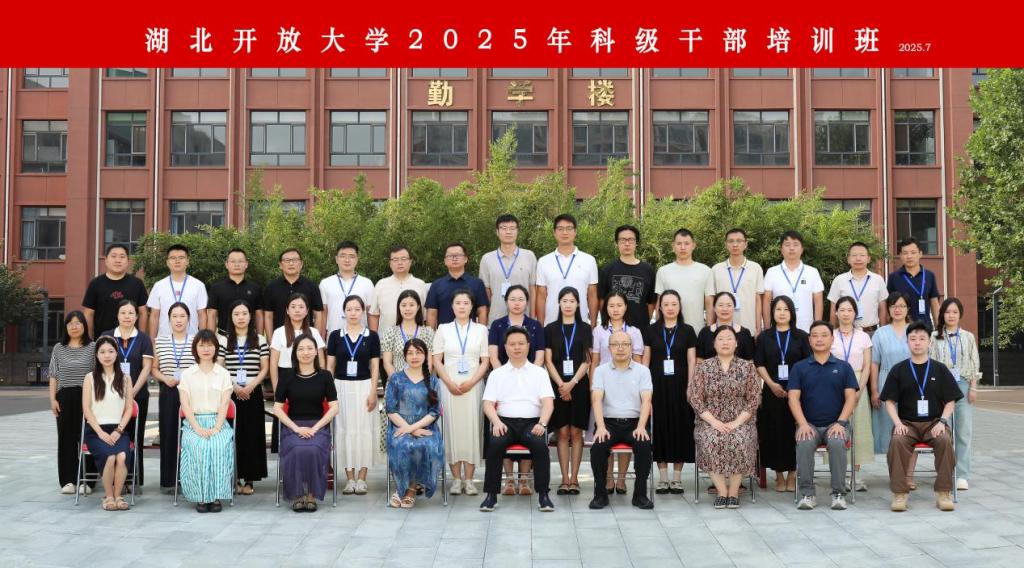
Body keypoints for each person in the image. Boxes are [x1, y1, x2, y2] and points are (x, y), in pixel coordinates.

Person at [880, 322, 961, 512]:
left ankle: (944, 492)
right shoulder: (898, 370)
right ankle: (900, 494)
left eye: (922, 338)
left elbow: (951, 400)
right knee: (897, 441)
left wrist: (942, 422)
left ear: (929, 342)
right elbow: (889, 401)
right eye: (913, 339)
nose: (917, 343)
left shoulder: (940, 369)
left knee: (944, 440)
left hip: (934, 423)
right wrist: (897, 423)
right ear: (907, 342)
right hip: (907, 423)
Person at [479, 327, 556, 512]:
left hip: (532, 423)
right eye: (512, 344)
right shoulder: (497, 374)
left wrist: (542, 424)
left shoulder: (539, 373)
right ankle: (491, 495)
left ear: (528, 346)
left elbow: (548, 403)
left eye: (521, 343)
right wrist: (496, 422)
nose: (517, 347)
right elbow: (487, 404)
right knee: (494, 445)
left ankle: (544, 495)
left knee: (540, 446)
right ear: (505, 347)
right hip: (505, 423)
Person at [688, 326, 761, 509]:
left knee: (740, 439)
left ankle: (734, 492)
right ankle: (721, 491)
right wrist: (714, 422)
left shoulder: (747, 367)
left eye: (729, 338)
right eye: (721, 339)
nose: (725, 342)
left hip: (741, 421)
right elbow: (695, 398)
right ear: (714, 344)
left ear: (736, 343)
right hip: (709, 421)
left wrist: (736, 423)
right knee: (711, 439)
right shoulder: (703, 367)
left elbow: (754, 399)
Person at [487, 285, 545, 496]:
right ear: (506, 301)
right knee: (500, 430)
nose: (517, 303)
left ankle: (525, 479)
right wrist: (505, 376)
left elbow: (539, 355)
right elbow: (493, 355)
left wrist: (529, 376)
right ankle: (509, 479)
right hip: (504, 381)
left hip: (530, 380)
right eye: (513, 299)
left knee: (532, 429)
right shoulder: (497, 325)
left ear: (527, 302)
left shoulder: (535, 325)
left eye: (521, 299)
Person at [589, 330, 655, 510]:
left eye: (625, 344)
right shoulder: (600, 371)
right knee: (598, 448)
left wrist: (641, 427)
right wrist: (600, 427)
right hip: (608, 423)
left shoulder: (642, 371)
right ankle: (600, 495)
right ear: (609, 348)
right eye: (615, 344)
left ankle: (640, 495)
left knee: (643, 446)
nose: (620, 348)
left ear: (631, 347)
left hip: (635, 423)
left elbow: (646, 400)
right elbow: (596, 399)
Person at [273, 333, 340, 512]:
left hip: (318, 426)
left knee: (313, 449)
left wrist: (315, 428)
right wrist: (296, 428)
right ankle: (296, 495)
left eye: (310, 348)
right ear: (295, 353)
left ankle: (311, 495)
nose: (306, 352)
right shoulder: (286, 376)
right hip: (293, 426)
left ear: (316, 352)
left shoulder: (325, 376)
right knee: (296, 448)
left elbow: (334, 407)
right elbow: (277, 408)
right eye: (301, 349)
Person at [433, 289, 490, 495]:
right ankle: (456, 479)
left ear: (472, 306)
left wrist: (472, 382)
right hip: (449, 386)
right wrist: (448, 383)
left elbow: (485, 361)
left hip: (473, 386)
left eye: (466, 303)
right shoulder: (443, 329)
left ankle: (470, 479)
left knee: (472, 429)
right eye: (458, 303)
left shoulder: (481, 330)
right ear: (452, 306)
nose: (462, 306)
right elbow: (436, 360)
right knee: (452, 430)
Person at [642, 290, 697, 495]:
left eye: (674, 304)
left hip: (681, 387)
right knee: (660, 429)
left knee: (681, 428)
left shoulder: (688, 331)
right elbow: (645, 360)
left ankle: (677, 478)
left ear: (679, 306)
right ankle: (663, 478)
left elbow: (691, 360)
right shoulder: (650, 330)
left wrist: (690, 385)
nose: (670, 308)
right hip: (657, 387)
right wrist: (645, 388)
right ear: (660, 307)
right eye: (666, 304)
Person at [754, 296, 811, 493]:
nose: (782, 313)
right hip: (772, 391)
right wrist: (771, 384)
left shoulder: (801, 336)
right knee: (774, 433)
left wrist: (795, 386)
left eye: (786, 309)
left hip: (797, 392)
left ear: (792, 313)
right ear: (772, 313)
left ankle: (793, 474)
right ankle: (778, 475)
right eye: (778, 309)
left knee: (793, 433)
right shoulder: (765, 337)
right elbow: (759, 363)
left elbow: (807, 364)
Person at [326, 296, 381, 495]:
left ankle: (362, 478)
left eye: (357, 309)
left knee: (364, 430)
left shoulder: (371, 336)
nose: (353, 313)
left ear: (363, 312)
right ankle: (349, 478)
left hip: (364, 386)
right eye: (349, 309)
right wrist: (330, 393)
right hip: (341, 388)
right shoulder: (335, 336)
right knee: (344, 429)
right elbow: (330, 366)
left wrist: (373, 391)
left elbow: (375, 366)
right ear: (344, 312)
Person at [591, 292, 645, 494]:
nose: (615, 309)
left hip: (629, 385)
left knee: (628, 427)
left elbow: (638, 361)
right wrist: (593, 387)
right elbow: (595, 360)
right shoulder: (599, 331)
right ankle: (608, 478)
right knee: (605, 431)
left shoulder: (634, 331)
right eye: (611, 305)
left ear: (625, 307)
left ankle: (621, 479)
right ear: (606, 308)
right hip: (605, 384)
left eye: (619, 305)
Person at [178, 330, 235, 513]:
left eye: (210, 345)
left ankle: (216, 496)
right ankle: (200, 496)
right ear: (195, 348)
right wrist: (196, 427)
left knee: (218, 446)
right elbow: (185, 404)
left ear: (216, 348)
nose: (206, 349)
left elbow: (225, 403)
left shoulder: (223, 373)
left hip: (218, 422)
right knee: (199, 447)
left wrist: (217, 427)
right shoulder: (187, 374)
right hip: (193, 423)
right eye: (202, 345)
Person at [216, 300, 269, 495]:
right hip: (231, 394)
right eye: (236, 314)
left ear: (250, 316)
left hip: (253, 393)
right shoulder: (224, 340)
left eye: (244, 313)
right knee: (234, 435)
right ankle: (235, 477)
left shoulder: (260, 339)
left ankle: (250, 479)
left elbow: (265, 368)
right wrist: (235, 386)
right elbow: (220, 367)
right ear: (231, 317)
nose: (241, 317)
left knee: (252, 435)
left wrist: (251, 386)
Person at [100, 300, 154, 491]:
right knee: (114, 435)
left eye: (131, 313)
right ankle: (114, 480)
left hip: (138, 396)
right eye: (123, 313)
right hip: (111, 397)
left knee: (135, 437)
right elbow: (101, 363)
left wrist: (132, 392)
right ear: (117, 315)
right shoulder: (107, 336)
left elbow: (146, 368)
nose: (127, 316)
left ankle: (133, 480)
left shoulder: (143, 339)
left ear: (137, 316)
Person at [544, 286, 593, 497]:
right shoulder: (550, 328)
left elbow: (587, 360)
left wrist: (571, 383)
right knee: (562, 432)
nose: (568, 305)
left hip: (579, 385)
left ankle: (575, 479)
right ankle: (564, 479)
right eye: (564, 301)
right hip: (556, 385)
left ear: (578, 304)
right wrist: (561, 385)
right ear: (559, 303)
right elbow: (548, 360)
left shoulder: (585, 328)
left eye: (572, 301)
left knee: (576, 432)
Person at [385, 338, 444, 509]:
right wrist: (409, 430)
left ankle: (409, 490)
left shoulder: (433, 380)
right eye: (410, 353)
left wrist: (413, 428)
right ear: (404, 356)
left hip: (426, 428)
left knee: (424, 445)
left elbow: (434, 412)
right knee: (404, 444)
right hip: (399, 426)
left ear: (425, 356)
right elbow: (390, 409)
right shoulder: (396, 379)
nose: (414, 356)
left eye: (418, 352)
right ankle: (402, 489)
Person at [929, 298, 981, 491]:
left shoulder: (968, 337)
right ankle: (945, 471)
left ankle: (962, 474)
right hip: (941, 386)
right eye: (947, 312)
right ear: (942, 314)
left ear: (960, 315)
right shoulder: (934, 336)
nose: (951, 316)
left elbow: (974, 362)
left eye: (955, 312)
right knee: (943, 432)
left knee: (963, 431)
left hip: (963, 385)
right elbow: (931, 362)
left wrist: (973, 388)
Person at [81, 336, 134, 511]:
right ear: (96, 355)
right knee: (110, 457)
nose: (107, 355)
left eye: (111, 351)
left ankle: (118, 496)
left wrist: (119, 430)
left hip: (118, 429)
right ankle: (108, 496)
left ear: (117, 353)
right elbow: (86, 409)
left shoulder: (125, 379)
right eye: (102, 352)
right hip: (96, 431)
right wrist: (100, 432)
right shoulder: (90, 378)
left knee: (122, 456)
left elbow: (128, 409)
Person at [270, 294, 327, 454]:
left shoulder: (314, 332)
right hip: (286, 379)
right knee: (284, 418)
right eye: (293, 307)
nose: (297, 310)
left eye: (301, 307)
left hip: (311, 379)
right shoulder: (279, 332)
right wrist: (277, 390)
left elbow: (321, 362)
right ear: (287, 310)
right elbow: (273, 364)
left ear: (307, 310)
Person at [49, 311, 96, 494]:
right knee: (66, 439)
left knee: (88, 438)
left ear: (84, 325)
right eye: (70, 323)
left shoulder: (92, 347)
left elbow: (97, 374)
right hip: (64, 397)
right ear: (66, 327)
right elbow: (53, 375)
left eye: (78, 323)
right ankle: (68, 480)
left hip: (87, 398)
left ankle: (87, 481)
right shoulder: (58, 348)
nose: (74, 326)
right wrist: (53, 399)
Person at [831, 296, 875, 490]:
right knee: (838, 428)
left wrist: (860, 390)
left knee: (858, 427)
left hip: (858, 382)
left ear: (855, 313)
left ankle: (855, 475)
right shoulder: (830, 335)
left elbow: (867, 366)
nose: (846, 313)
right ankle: (839, 473)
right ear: (836, 312)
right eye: (842, 310)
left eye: (849, 310)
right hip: (835, 383)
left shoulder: (863, 337)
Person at [152, 302, 196, 492]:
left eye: (182, 316)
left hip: (191, 393)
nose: (179, 320)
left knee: (190, 435)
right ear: (168, 320)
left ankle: (189, 477)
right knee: (169, 434)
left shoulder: (195, 340)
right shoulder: (159, 341)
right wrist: (165, 379)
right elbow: (154, 368)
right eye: (175, 316)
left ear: (189, 319)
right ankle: (169, 480)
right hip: (169, 391)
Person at [536, 214, 599, 326]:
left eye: (569, 228)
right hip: (551, 324)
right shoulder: (543, 261)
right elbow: (541, 296)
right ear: (554, 232)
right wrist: (540, 327)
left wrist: (593, 326)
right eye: (560, 229)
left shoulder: (589, 260)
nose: (564, 232)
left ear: (575, 232)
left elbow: (592, 295)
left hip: (580, 324)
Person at [870, 292, 913, 456]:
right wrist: (874, 390)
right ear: (888, 309)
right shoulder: (880, 333)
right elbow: (875, 363)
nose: (897, 309)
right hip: (886, 381)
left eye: (902, 306)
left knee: (909, 425)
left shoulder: (915, 331)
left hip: (911, 382)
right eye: (894, 306)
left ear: (908, 309)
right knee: (886, 424)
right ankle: (890, 463)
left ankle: (907, 465)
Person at [479, 214, 538, 324]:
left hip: (524, 320)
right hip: (495, 319)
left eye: (512, 228)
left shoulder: (529, 256)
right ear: (497, 232)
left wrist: (532, 316)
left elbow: (532, 289)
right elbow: (486, 292)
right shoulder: (487, 259)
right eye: (504, 228)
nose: (508, 232)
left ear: (517, 231)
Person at [82, 243, 149, 339]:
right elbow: (88, 313)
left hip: (131, 341)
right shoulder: (95, 284)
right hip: (103, 340)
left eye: (122, 257)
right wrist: (89, 340)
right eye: (113, 256)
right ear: (106, 260)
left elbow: (143, 312)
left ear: (127, 261)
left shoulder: (137, 283)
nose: (118, 260)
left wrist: (141, 338)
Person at [705, 228, 765, 334]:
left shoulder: (756, 268)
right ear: (726, 244)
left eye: (739, 241)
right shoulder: (716, 269)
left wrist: (758, 328)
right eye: (731, 241)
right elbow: (710, 300)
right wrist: (709, 328)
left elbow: (758, 300)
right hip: (722, 332)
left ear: (745, 244)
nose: (735, 244)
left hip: (749, 329)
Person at [763, 231, 824, 332]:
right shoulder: (772, 272)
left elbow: (818, 302)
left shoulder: (812, 272)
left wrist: (817, 328)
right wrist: (767, 328)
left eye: (795, 244)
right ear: (781, 249)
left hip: (806, 329)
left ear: (802, 249)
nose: (791, 248)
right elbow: (766, 301)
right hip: (779, 330)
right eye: (787, 245)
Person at [598, 224, 656, 331]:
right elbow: (602, 300)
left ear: (636, 243)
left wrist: (645, 323)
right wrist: (606, 323)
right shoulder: (608, 269)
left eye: (631, 240)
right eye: (623, 240)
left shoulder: (648, 270)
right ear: (616, 243)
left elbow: (651, 302)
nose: (627, 243)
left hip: (640, 330)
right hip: (613, 331)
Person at [655, 229, 712, 329]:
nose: (683, 247)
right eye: (679, 243)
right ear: (673, 246)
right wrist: (658, 329)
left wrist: (709, 329)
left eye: (686, 243)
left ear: (693, 245)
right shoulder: (663, 271)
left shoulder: (705, 270)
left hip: (697, 329)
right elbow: (659, 302)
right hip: (669, 331)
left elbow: (709, 303)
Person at [262, 248, 325, 340]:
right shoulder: (271, 288)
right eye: (287, 260)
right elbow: (268, 316)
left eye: (295, 260)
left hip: (306, 340)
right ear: (280, 265)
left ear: (301, 264)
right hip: (280, 340)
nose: (291, 263)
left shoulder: (312, 287)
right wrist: (271, 341)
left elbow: (318, 315)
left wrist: (315, 340)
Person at [147, 244, 208, 337]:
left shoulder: (198, 285)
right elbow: (154, 316)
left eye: (181, 258)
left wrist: (202, 340)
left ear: (187, 261)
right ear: (167, 262)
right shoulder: (158, 286)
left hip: (191, 339)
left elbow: (202, 315)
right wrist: (152, 340)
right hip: (164, 340)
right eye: (173, 258)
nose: (177, 261)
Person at [827, 242, 887, 333]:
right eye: (854, 255)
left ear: (869, 259)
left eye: (862, 255)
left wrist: (883, 333)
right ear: (848, 259)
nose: (858, 258)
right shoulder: (839, 280)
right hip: (846, 332)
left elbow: (882, 308)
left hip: (872, 333)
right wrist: (833, 333)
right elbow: (833, 310)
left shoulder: (878, 280)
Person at [426, 242, 489, 328]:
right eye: (450, 256)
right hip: (444, 334)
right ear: (445, 261)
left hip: (471, 333)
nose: (454, 258)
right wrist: (431, 334)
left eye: (458, 255)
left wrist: (482, 332)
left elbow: (482, 311)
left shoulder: (477, 283)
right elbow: (432, 313)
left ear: (466, 259)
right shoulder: (436, 285)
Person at [320, 241, 376, 334]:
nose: (347, 260)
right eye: (343, 256)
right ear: (336, 259)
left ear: (357, 259)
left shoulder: (367, 283)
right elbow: (323, 314)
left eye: (351, 256)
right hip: (333, 337)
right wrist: (321, 340)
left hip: (361, 337)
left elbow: (371, 314)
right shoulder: (325, 283)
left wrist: (373, 338)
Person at [369, 245, 429, 331]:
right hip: (386, 337)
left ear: (410, 262)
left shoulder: (420, 284)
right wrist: (374, 337)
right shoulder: (381, 284)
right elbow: (374, 314)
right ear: (390, 263)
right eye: (395, 260)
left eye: (403, 259)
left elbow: (426, 316)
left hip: (415, 337)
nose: (399, 263)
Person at [887, 237, 941, 331]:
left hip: (925, 329)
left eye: (913, 252)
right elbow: (889, 306)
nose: (909, 256)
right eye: (905, 253)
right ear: (900, 256)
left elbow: (935, 305)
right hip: (902, 330)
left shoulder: (929, 276)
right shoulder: (893, 277)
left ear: (920, 254)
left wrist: (939, 330)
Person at [207, 248, 263, 335]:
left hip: (250, 337)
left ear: (246, 264)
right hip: (224, 337)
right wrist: (211, 338)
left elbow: (259, 315)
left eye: (240, 261)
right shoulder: (216, 288)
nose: (237, 264)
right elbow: (212, 315)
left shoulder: (255, 288)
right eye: (233, 261)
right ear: (226, 264)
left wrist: (260, 336)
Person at [380, 290, 435, 377]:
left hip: (422, 382)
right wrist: (399, 382)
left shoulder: (427, 332)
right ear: (399, 307)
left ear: (418, 307)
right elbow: (387, 363)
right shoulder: (390, 332)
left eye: (411, 305)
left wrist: (418, 382)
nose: (407, 309)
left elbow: (429, 363)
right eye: (404, 305)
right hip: (397, 382)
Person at [696, 292, 756, 362]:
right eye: (720, 305)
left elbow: (750, 361)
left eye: (729, 305)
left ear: (734, 308)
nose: (725, 309)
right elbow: (699, 360)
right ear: (714, 308)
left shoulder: (744, 333)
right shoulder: (705, 332)